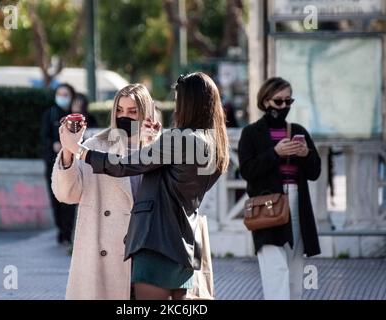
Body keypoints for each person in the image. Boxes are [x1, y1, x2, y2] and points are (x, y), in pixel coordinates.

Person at [58, 72, 229, 300]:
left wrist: (78, 149)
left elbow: (123, 166)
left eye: (179, 100)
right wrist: (156, 141)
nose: (176, 107)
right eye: (119, 110)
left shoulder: (178, 139)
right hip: (183, 243)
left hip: (156, 242)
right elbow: (172, 176)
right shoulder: (214, 143)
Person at [51, 84, 160, 299]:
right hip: (104, 257)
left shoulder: (160, 148)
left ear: (146, 113)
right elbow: (66, 194)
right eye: (119, 110)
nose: (124, 117)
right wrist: (68, 150)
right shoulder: (96, 147)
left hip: (148, 251)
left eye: (132, 112)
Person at [237, 77, 321, 300]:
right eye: (278, 101)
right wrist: (275, 153)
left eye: (288, 101)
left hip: (297, 204)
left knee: (295, 272)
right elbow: (247, 170)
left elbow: (315, 173)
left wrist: (306, 155)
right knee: (276, 271)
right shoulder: (251, 133)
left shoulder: (298, 130)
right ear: (265, 102)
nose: (284, 107)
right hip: (267, 206)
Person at [41, 83, 77, 245]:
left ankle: (68, 231)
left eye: (66, 94)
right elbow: (43, 137)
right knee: (55, 198)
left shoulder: (76, 115)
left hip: (73, 164)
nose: (63, 97)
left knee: (69, 198)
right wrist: (54, 144)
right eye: (60, 94)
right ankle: (61, 230)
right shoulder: (50, 114)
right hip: (52, 163)